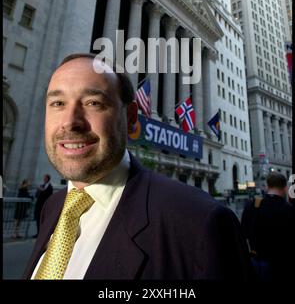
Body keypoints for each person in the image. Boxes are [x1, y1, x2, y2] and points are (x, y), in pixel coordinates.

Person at [24, 53, 254, 280]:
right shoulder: (53, 207)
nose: (70, 122)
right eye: (58, 103)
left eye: (93, 103)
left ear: (131, 116)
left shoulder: (201, 224)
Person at [241, 172, 295, 282]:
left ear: (267, 186)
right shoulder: (289, 210)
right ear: (285, 188)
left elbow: (244, 233)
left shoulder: (252, 205)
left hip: (257, 263)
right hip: (283, 266)